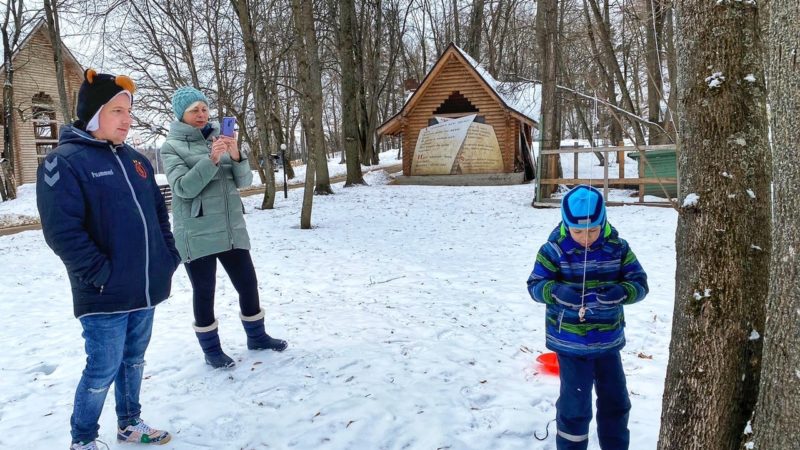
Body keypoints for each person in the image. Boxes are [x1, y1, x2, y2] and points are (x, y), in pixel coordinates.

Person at [37, 69, 178, 450]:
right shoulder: (64, 162)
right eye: (117, 111)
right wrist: (101, 274)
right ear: (95, 113)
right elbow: (62, 231)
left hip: (145, 288)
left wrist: (168, 257)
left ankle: (130, 425)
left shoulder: (136, 160)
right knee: (102, 369)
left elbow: (159, 216)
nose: (127, 120)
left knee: (134, 362)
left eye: (129, 112)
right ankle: (83, 440)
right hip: (102, 293)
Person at [161, 86, 287, 369]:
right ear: (181, 114)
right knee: (205, 291)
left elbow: (243, 182)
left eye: (204, 108)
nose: (201, 114)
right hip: (197, 231)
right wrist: (211, 160)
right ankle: (212, 350)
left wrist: (238, 155)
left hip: (231, 228)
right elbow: (182, 188)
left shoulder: (221, 137)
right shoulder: (171, 147)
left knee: (248, 284)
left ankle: (257, 337)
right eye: (194, 110)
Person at [526, 185, 648, 450]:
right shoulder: (553, 251)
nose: (585, 237)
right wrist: (555, 291)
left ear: (603, 222)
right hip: (570, 345)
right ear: (566, 225)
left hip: (608, 343)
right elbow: (535, 285)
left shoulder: (617, 249)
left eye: (592, 230)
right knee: (575, 408)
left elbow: (640, 283)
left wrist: (622, 292)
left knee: (616, 402)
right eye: (578, 231)